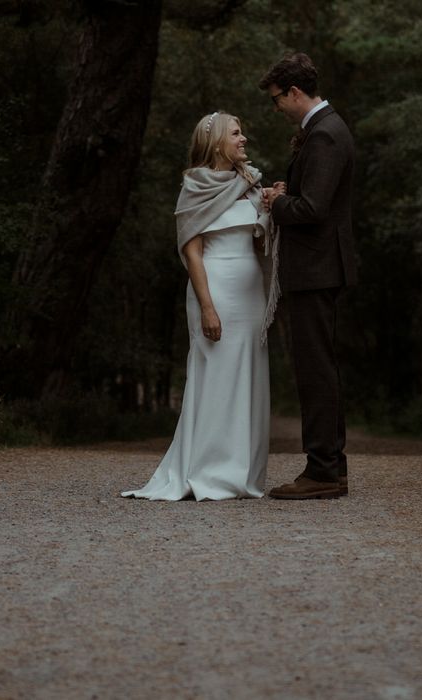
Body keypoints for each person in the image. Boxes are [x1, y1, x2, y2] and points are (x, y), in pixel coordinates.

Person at [122, 111, 282, 501]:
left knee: (247, 376)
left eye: (243, 132)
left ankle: (240, 473)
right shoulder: (194, 187)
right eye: (236, 133)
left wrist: (272, 206)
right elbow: (192, 253)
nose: (244, 139)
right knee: (216, 376)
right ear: (215, 142)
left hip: (249, 295)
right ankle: (206, 471)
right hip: (214, 289)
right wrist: (208, 308)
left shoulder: (249, 183)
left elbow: (260, 239)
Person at [259, 52, 357, 500]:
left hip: (315, 268)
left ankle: (321, 472)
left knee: (315, 369)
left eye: (278, 98)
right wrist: (288, 192)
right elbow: (312, 196)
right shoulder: (323, 130)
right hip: (319, 267)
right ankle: (330, 467)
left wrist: (275, 204)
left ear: (295, 92)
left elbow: (313, 209)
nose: (278, 107)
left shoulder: (324, 135)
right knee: (321, 366)